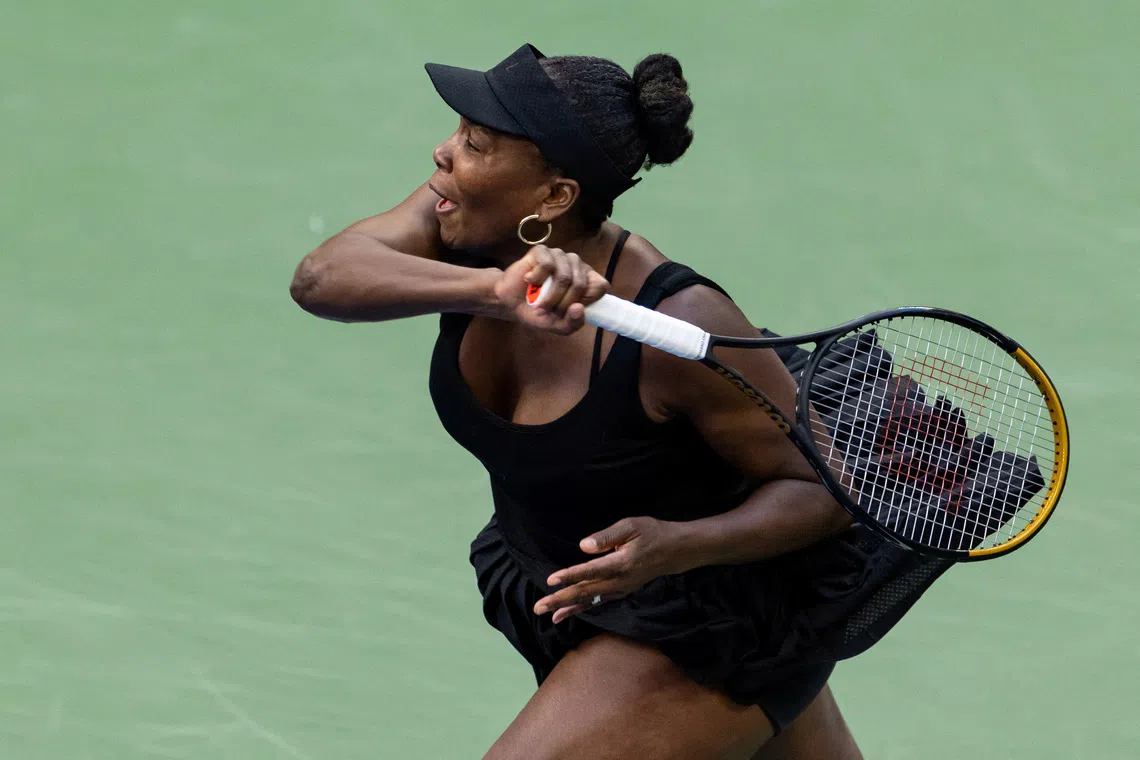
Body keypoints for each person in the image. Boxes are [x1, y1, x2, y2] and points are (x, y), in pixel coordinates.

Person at [291, 44, 866, 759]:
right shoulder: (469, 221)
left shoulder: (678, 323)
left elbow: (825, 489)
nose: (443, 153)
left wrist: (676, 546)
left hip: (697, 616)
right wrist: (491, 294)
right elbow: (322, 279)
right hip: (581, 599)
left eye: (475, 143)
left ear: (554, 196)